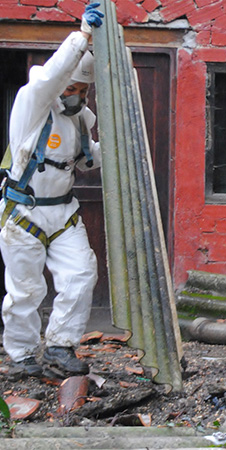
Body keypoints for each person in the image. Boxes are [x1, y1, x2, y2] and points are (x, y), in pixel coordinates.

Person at [1, 3, 104, 378]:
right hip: (23, 211)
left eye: (81, 88)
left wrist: (115, 145)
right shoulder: (33, 104)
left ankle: (60, 346)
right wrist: (83, 37)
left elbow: (90, 160)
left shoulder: (80, 121)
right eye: (70, 86)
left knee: (81, 274)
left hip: (63, 211)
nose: (73, 92)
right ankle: (22, 354)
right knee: (26, 291)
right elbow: (51, 76)